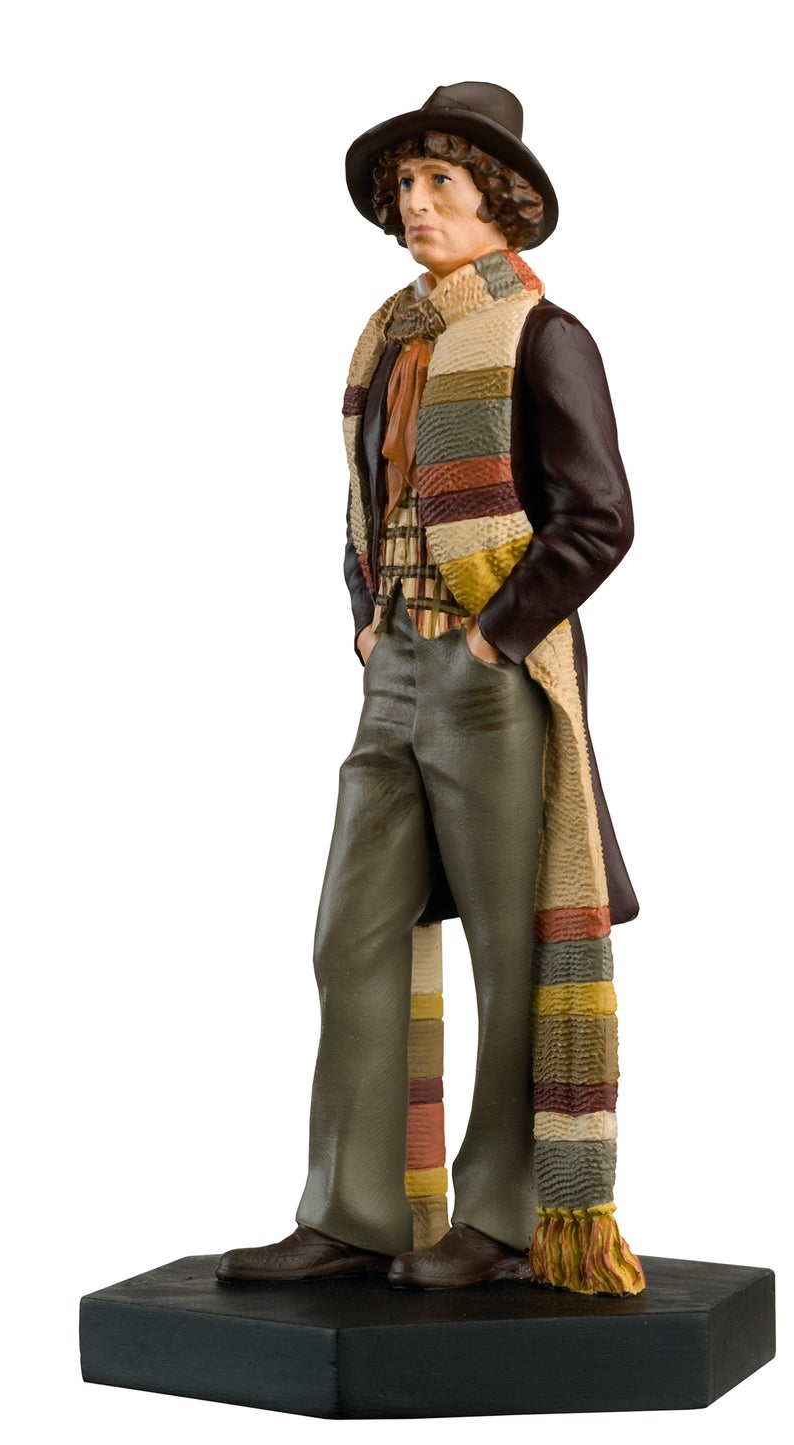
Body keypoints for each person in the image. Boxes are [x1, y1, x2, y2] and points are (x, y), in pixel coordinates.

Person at [217, 82, 645, 1294]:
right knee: (349, 933)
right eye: (402, 186)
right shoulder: (392, 343)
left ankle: (502, 1214)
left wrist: (497, 637)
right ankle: (353, 1211)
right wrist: (367, 616)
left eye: (437, 183)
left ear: (494, 200)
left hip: (488, 677)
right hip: (394, 667)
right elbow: (367, 505)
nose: (413, 204)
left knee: (512, 950)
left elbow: (599, 518)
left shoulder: (543, 338)